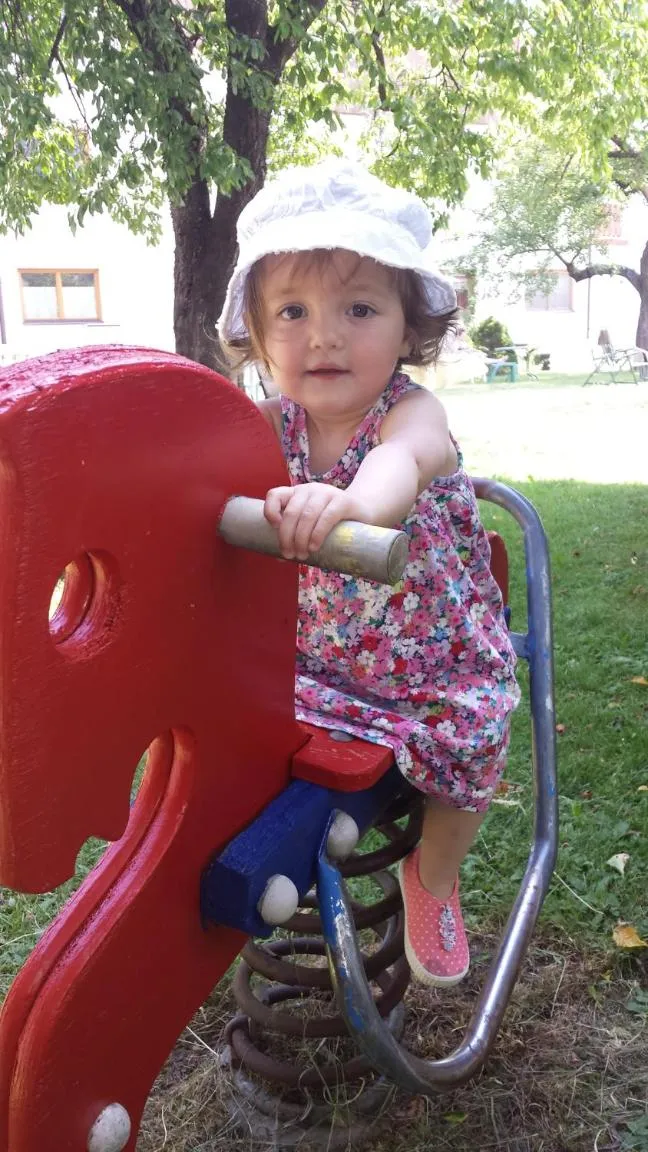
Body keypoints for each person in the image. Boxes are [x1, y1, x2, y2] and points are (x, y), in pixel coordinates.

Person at [219, 160, 520, 987]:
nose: (324, 335)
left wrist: (350, 503)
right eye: (292, 311)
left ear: (407, 326)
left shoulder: (411, 414)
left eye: (359, 308)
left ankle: (435, 876)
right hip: (314, 663)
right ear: (257, 333)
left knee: (475, 728)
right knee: (221, 710)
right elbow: (191, 467)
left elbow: (402, 466)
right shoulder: (262, 425)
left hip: (432, 666)